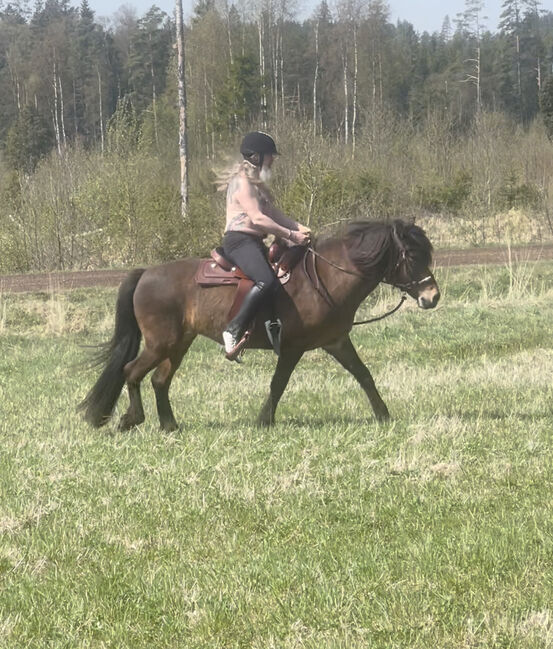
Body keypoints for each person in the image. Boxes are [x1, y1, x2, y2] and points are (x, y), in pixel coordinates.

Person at [220, 131, 311, 360]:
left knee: (280, 279)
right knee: (266, 280)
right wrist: (291, 234)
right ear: (256, 157)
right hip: (239, 242)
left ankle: (272, 326)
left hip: (252, 241)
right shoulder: (242, 183)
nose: (273, 160)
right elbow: (259, 219)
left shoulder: (256, 185)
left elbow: (274, 215)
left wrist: (301, 229)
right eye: (270, 155)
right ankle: (232, 330)